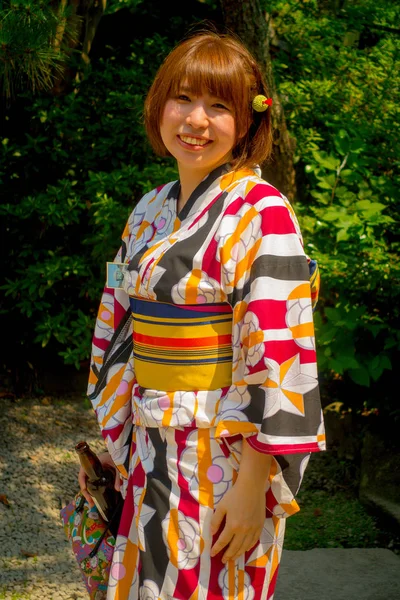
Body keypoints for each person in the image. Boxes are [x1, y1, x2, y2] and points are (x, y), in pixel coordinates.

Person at [79, 28, 325, 600]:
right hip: (147, 443)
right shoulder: (149, 208)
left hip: (222, 455)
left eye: (219, 106)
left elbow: (281, 347)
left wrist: (252, 485)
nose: (196, 119)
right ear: (158, 106)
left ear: (247, 122)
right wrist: (118, 435)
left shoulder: (263, 211)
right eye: (183, 99)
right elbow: (117, 313)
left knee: (207, 585)